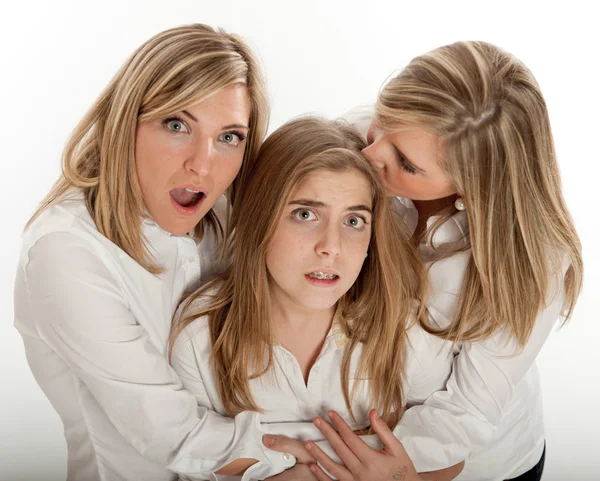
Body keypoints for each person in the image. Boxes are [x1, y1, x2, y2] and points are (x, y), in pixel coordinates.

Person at [264, 41, 583, 481]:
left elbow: (462, 414)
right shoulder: (366, 141)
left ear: (471, 188)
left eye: (407, 165)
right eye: (382, 125)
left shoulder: (533, 262)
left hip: (472, 467)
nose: (369, 155)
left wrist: (324, 464)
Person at [13, 23, 298, 481]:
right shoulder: (66, 251)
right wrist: (321, 465)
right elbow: (175, 434)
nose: (202, 164)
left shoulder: (225, 214)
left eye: (229, 137)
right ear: (127, 121)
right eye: (177, 124)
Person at [169, 116, 464, 481]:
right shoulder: (201, 337)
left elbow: (449, 455)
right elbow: (184, 458)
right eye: (305, 214)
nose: (331, 247)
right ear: (259, 218)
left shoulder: (404, 329)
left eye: (354, 221)